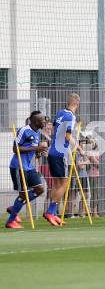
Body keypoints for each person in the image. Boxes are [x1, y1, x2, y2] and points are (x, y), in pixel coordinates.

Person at [45, 93, 82, 226]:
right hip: (60, 154)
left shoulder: (60, 112)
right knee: (64, 184)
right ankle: (50, 211)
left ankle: (53, 215)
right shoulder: (71, 116)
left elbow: (54, 129)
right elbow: (68, 137)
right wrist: (78, 147)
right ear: (77, 102)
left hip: (52, 151)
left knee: (56, 184)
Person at [6, 111, 47, 229]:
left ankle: (14, 208)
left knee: (39, 189)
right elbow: (15, 149)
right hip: (18, 166)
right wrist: (35, 147)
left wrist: (39, 152)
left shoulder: (38, 132)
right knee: (23, 194)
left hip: (29, 167)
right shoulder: (23, 130)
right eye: (42, 120)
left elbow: (35, 150)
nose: (44, 121)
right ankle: (11, 221)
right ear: (35, 121)